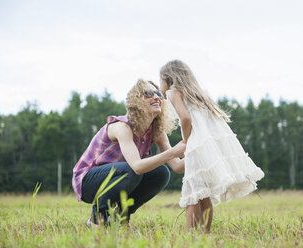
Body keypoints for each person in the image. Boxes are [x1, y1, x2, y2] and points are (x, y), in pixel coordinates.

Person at [159, 60, 265, 232]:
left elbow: (185, 119)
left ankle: (190, 235)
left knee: (193, 193)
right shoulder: (198, 94)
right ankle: (205, 232)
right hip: (209, 145)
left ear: (168, 79)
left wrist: (186, 141)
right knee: (204, 192)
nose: (159, 85)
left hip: (197, 144)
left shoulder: (173, 93)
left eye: (160, 80)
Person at [72, 79, 186, 226]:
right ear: (136, 100)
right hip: (88, 181)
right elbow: (137, 166)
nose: (157, 97)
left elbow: (177, 167)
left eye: (158, 93)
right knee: (132, 170)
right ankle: (97, 219)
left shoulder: (156, 131)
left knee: (162, 173)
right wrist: (172, 152)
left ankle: (120, 218)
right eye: (148, 93)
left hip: (121, 175)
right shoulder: (121, 127)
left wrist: (197, 152)